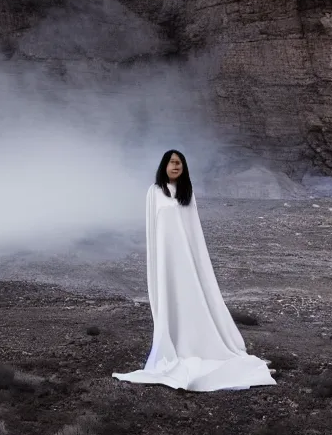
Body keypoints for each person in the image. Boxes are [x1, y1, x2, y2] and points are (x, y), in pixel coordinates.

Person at [112, 150, 276, 391]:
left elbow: (194, 234)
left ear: (184, 167)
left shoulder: (188, 194)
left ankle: (199, 342)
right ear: (164, 166)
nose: (175, 166)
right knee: (171, 298)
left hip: (186, 258)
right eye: (171, 162)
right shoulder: (154, 192)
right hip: (166, 258)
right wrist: (157, 262)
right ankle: (174, 344)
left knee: (191, 297)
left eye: (179, 163)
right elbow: (153, 228)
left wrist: (196, 262)